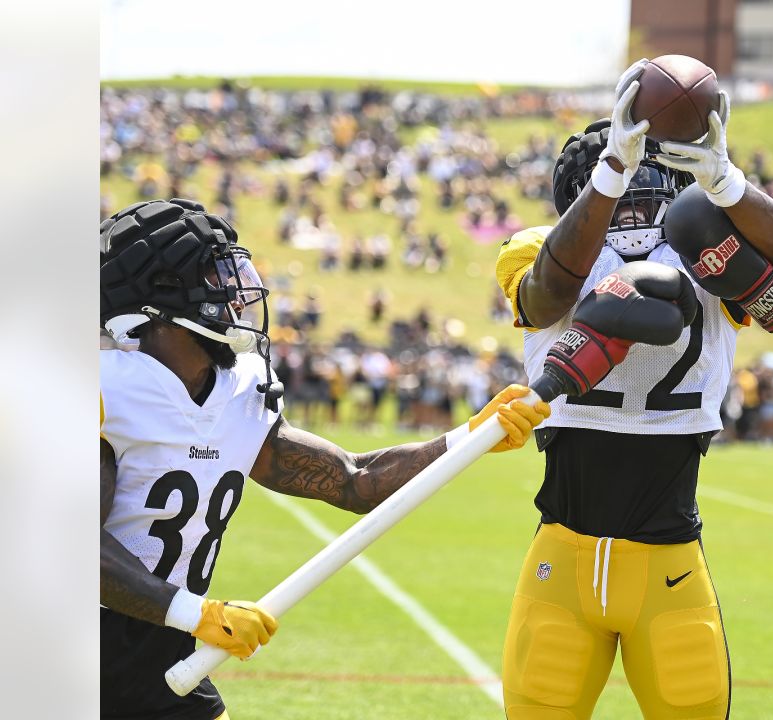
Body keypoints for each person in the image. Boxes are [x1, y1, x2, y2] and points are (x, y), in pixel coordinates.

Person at [99, 198, 551, 720]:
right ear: (162, 295)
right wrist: (196, 612)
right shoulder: (109, 389)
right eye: (214, 274)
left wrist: (467, 440)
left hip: (166, 646)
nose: (235, 289)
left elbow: (354, 481)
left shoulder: (236, 389)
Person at [494, 60, 773, 719]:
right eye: (616, 179)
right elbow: (547, 295)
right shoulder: (540, 251)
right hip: (564, 553)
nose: (632, 192)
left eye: (644, 178)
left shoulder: (705, 245)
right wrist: (610, 168)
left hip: (668, 558)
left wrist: (723, 177)